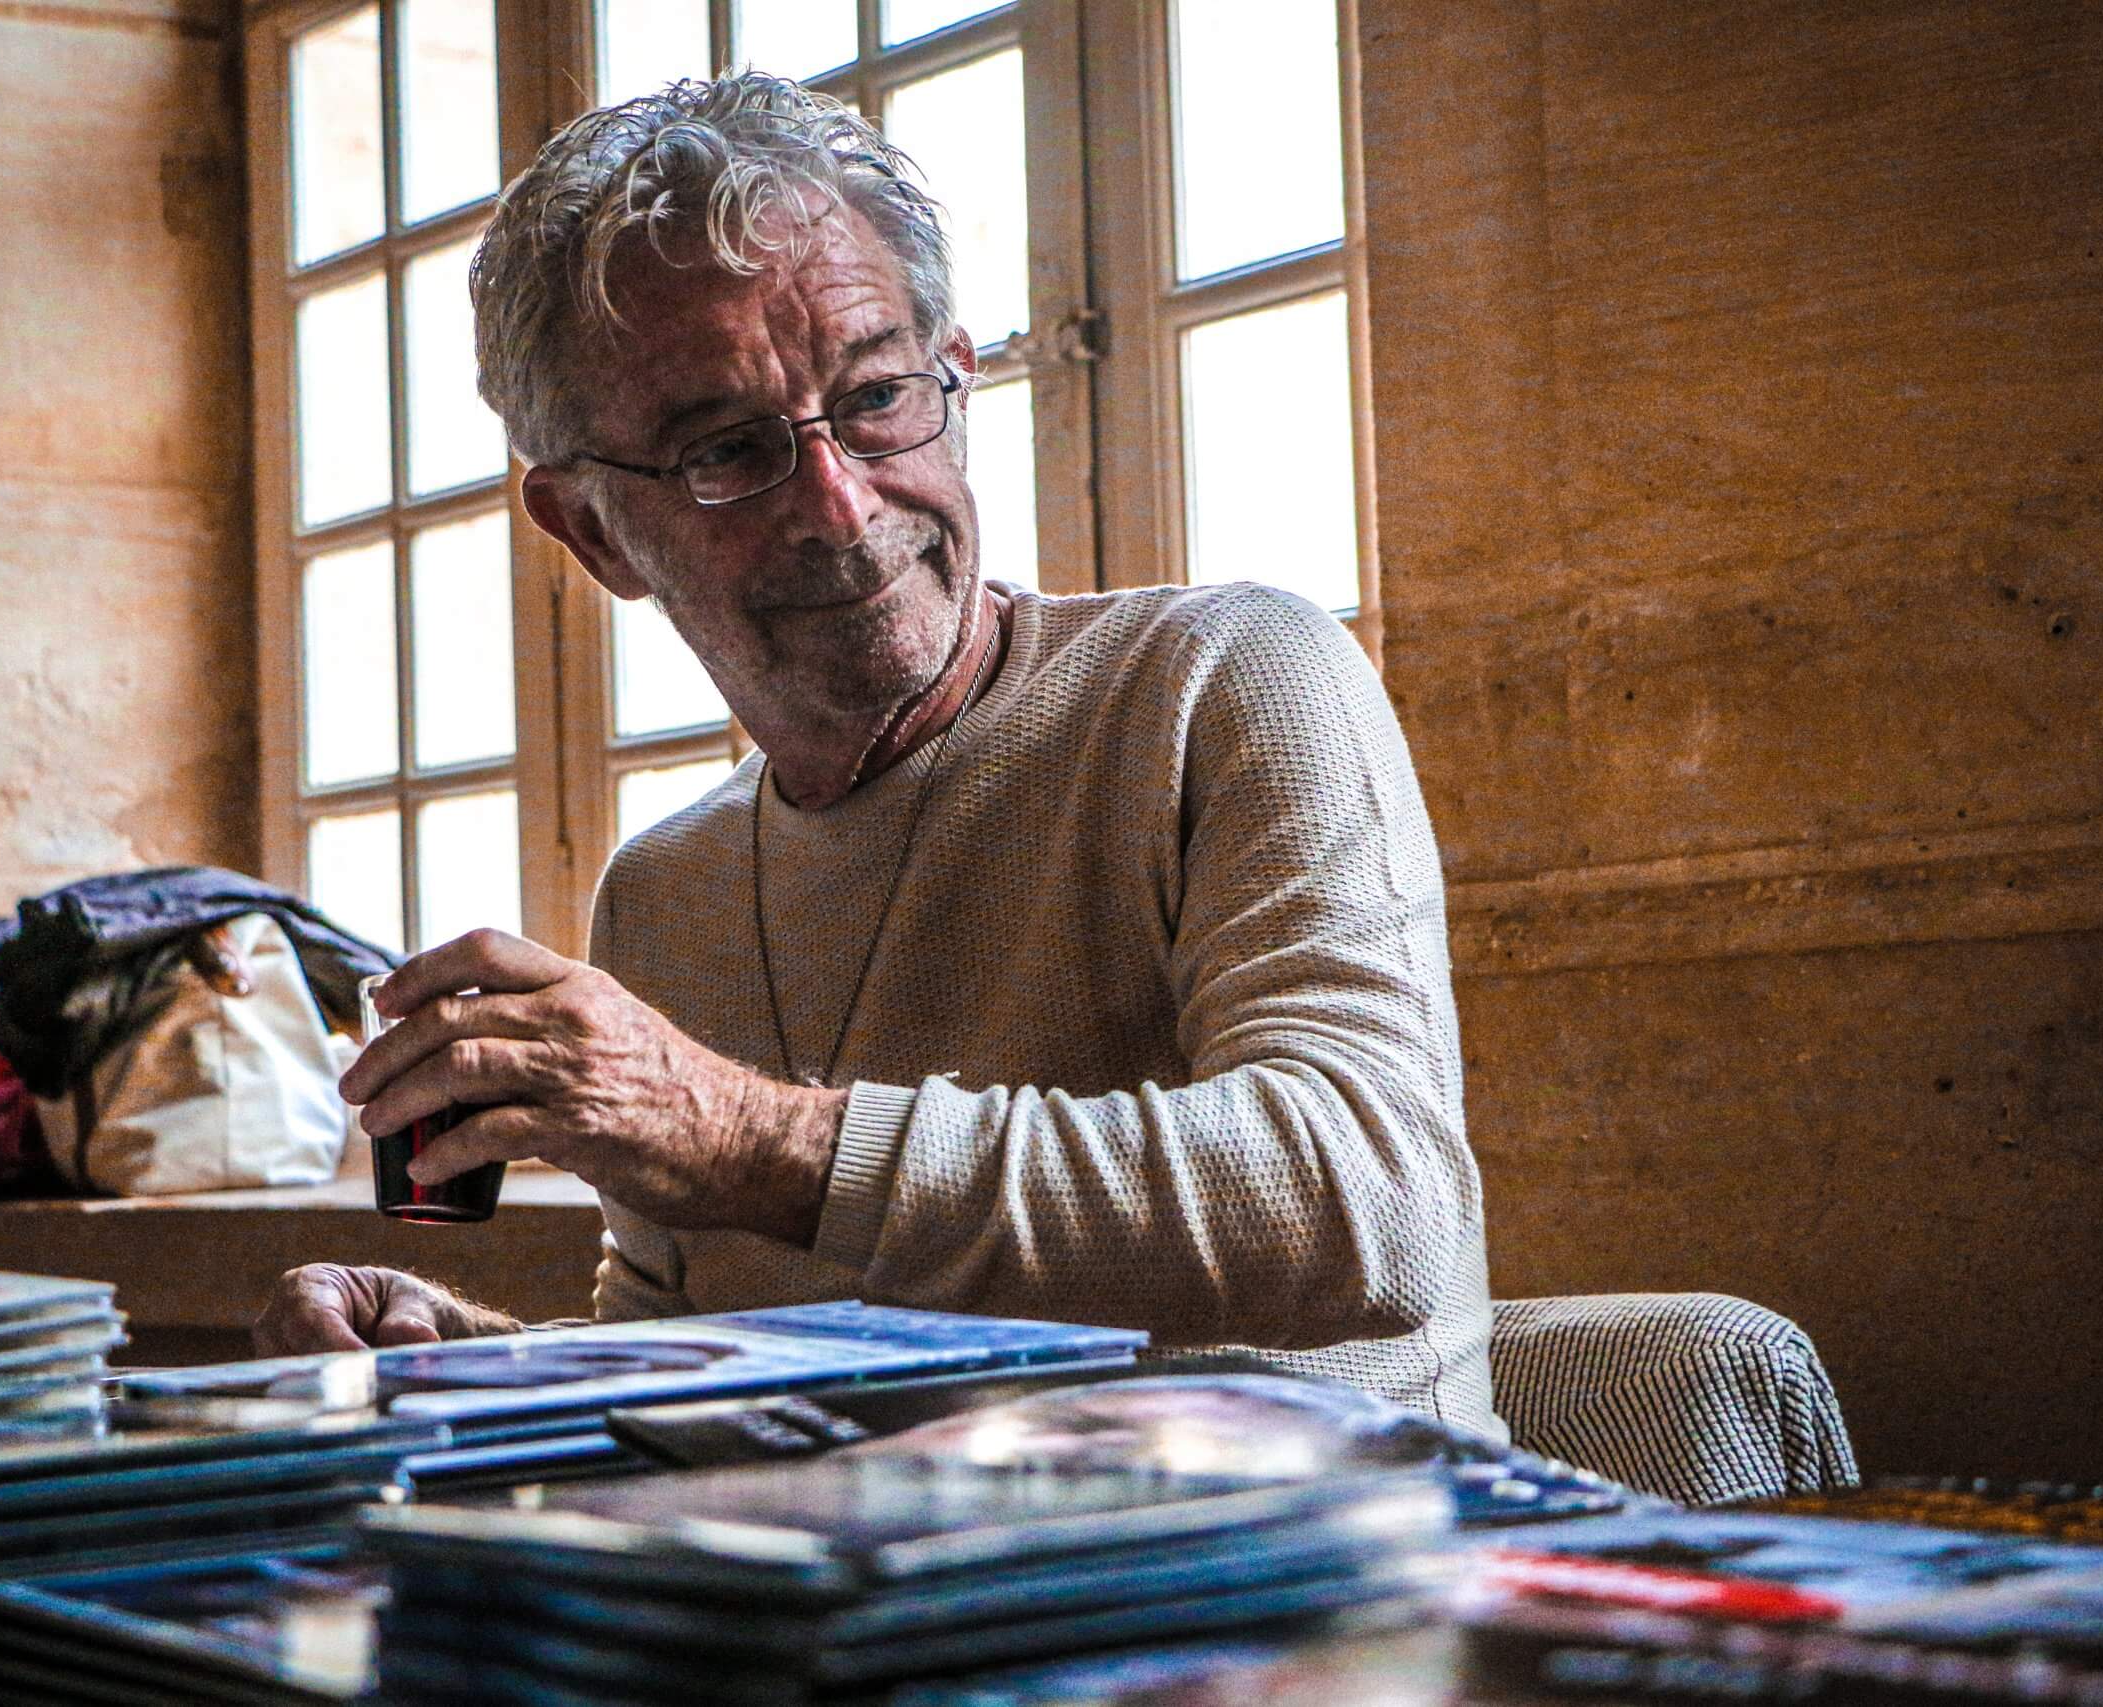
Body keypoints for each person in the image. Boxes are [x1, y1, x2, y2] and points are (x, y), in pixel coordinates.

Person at [255, 72, 1500, 1437]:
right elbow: (703, 1359)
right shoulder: (665, 893)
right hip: (895, 1605)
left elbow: (1369, 1211)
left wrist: (735, 1133)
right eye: (730, 450)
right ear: (593, 533)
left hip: (1318, 1588)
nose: (840, 505)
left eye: (877, 396)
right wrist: (470, 1356)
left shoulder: (1226, 677)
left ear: (957, 384)